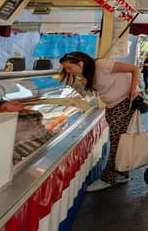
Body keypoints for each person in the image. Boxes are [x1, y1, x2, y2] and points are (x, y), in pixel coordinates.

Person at [59, 51, 141, 192]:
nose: (67, 71)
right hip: (111, 106)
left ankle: (108, 178)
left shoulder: (102, 64)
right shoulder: (85, 74)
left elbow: (135, 69)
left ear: (80, 63)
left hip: (125, 103)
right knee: (118, 140)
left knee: (116, 141)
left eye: (69, 68)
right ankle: (122, 173)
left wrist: (133, 89)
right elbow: (88, 92)